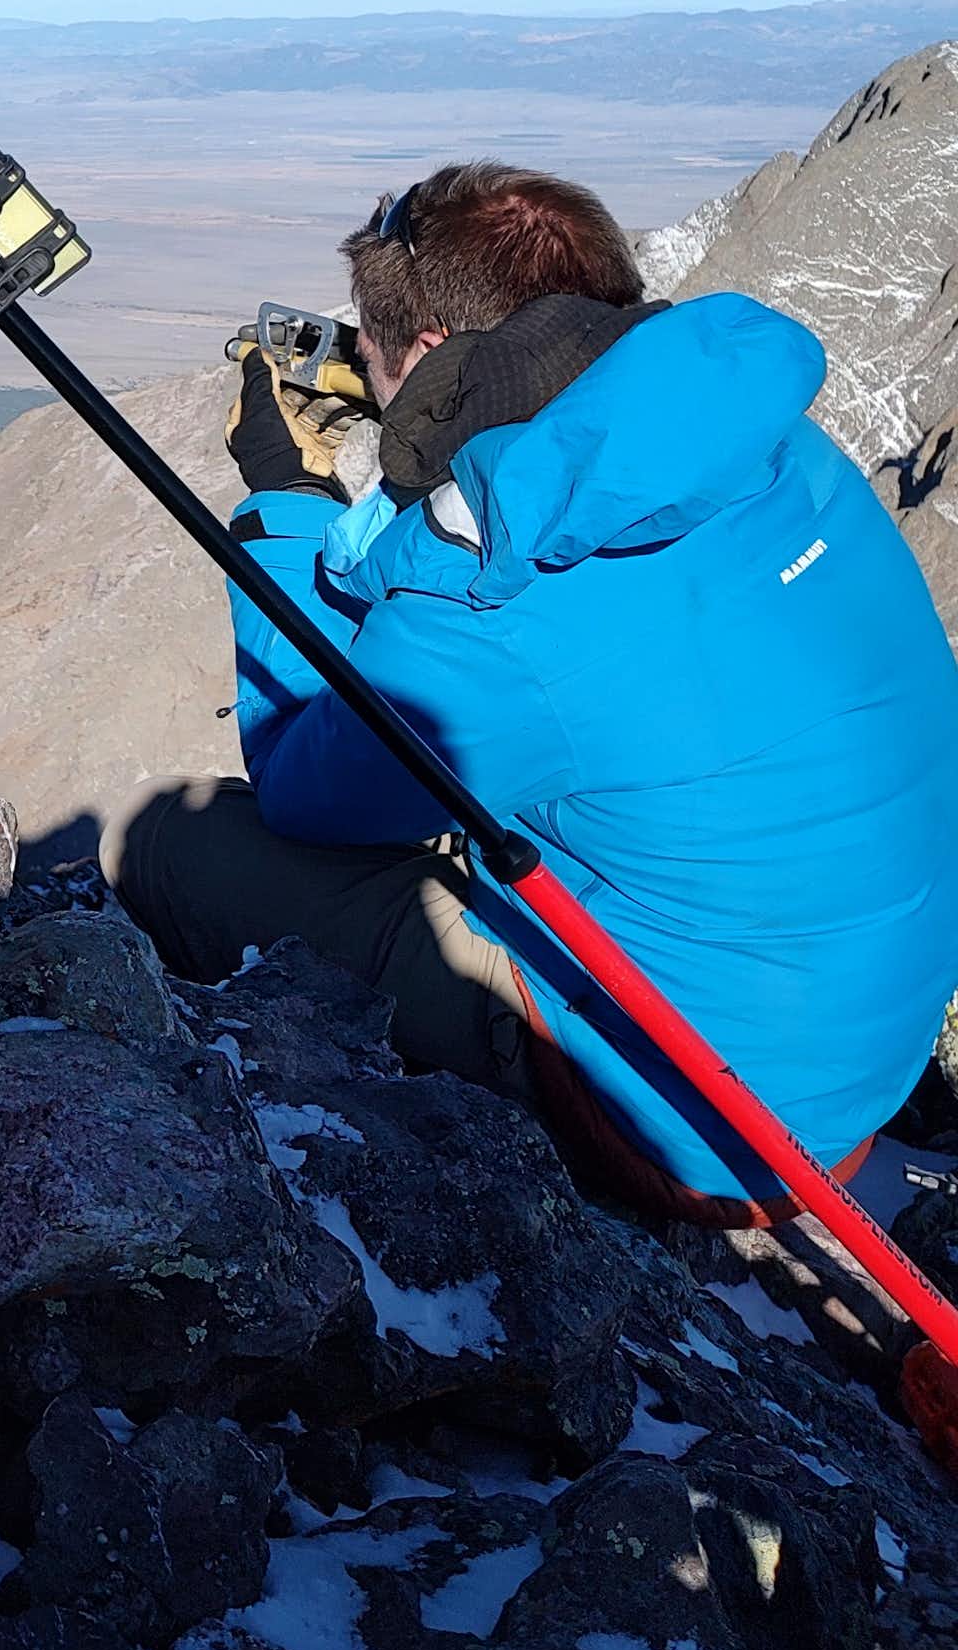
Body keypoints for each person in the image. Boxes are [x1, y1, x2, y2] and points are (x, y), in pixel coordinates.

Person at [103, 159, 958, 1219]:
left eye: (368, 352)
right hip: (853, 1028)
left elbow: (302, 781)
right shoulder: (763, 441)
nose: (359, 373)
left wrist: (288, 504)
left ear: (426, 354)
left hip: (707, 1123)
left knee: (165, 843)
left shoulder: (498, 610)